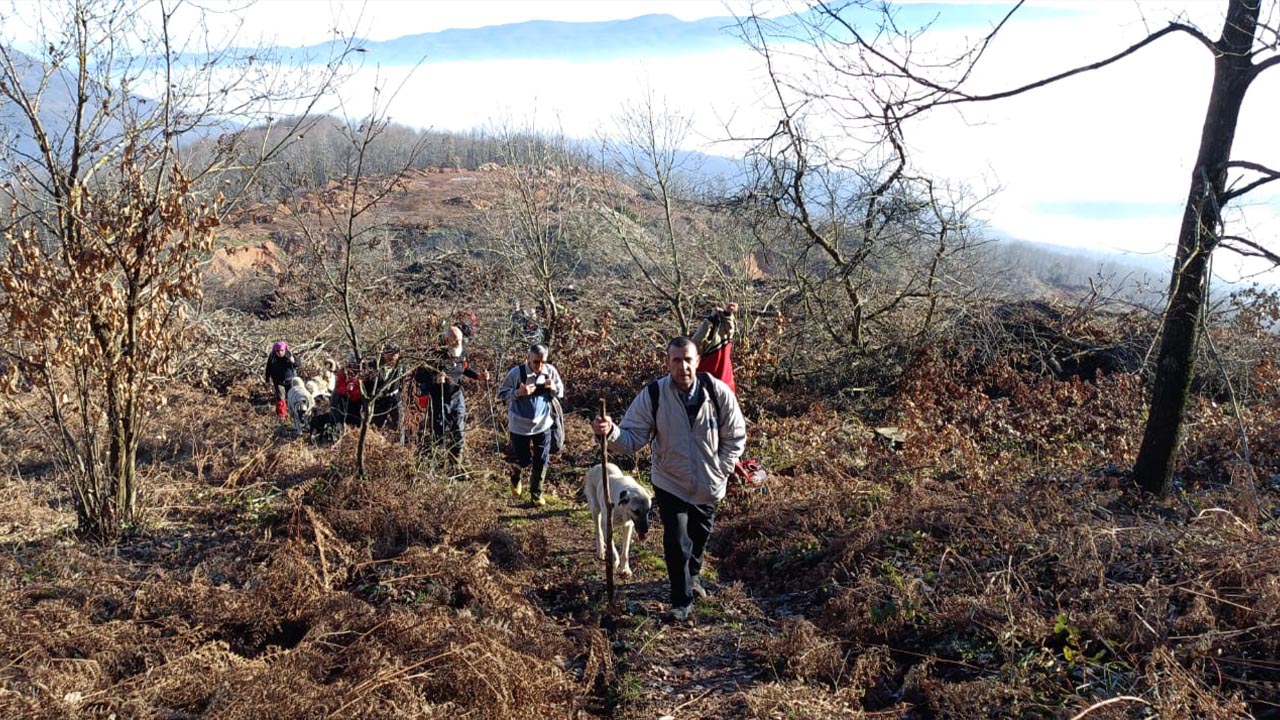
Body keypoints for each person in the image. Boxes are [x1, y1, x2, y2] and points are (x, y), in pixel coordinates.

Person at [592, 336, 746, 622]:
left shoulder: (717, 392)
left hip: (709, 483)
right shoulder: (654, 394)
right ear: (668, 363)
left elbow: (736, 435)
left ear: (697, 361)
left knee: (697, 539)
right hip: (670, 481)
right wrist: (610, 431)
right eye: (676, 360)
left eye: (688, 359)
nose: (682, 366)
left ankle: (694, 575)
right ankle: (681, 601)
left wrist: (722, 467)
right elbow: (631, 437)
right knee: (676, 541)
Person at [497, 343, 564, 506]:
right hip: (519, 426)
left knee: (541, 460)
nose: (539, 366)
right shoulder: (516, 373)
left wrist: (553, 387)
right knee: (524, 460)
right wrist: (518, 393)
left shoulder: (550, 372)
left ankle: (536, 494)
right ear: (528, 358)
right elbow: (501, 393)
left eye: (543, 362)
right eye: (536, 362)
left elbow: (561, 392)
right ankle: (515, 476)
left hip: (543, 424)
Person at [414, 326, 486, 462]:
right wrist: (435, 379)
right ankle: (437, 463)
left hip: (456, 396)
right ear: (447, 340)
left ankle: (455, 465)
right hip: (439, 397)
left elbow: (465, 368)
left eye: (460, 340)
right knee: (439, 432)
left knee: (458, 431)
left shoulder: (462, 351)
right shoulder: (435, 355)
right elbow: (420, 376)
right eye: (456, 340)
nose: (459, 343)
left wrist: (478, 376)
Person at [691, 302, 739, 394]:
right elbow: (696, 343)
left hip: (718, 388)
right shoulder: (722, 340)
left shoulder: (724, 337)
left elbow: (730, 329)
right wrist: (711, 320)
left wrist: (726, 314)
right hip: (716, 387)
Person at [369, 343, 404, 435]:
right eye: (390, 354)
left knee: (399, 424)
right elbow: (367, 384)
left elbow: (404, 381)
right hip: (379, 400)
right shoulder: (374, 366)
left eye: (395, 354)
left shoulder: (400, 366)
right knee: (376, 426)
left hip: (395, 398)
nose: (393, 356)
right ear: (384, 354)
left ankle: (399, 445)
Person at [264, 340, 299, 420]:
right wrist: (267, 378)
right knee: (280, 397)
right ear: (275, 351)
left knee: (292, 397)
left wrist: (293, 361)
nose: (280, 353)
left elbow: (298, 364)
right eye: (278, 351)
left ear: (285, 349)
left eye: (281, 350)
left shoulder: (290, 354)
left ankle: (295, 412)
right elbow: (268, 367)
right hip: (278, 381)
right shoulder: (272, 356)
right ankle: (281, 415)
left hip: (290, 380)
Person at [333, 354, 366, 427]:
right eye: (353, 362)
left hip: (360, 399)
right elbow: (339, 387)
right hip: (347, 399)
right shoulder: (344, 372)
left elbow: (366, 386)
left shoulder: (365, 371)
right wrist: (347, 389)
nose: (355, 365)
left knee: (359, 418)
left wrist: (356, 389)